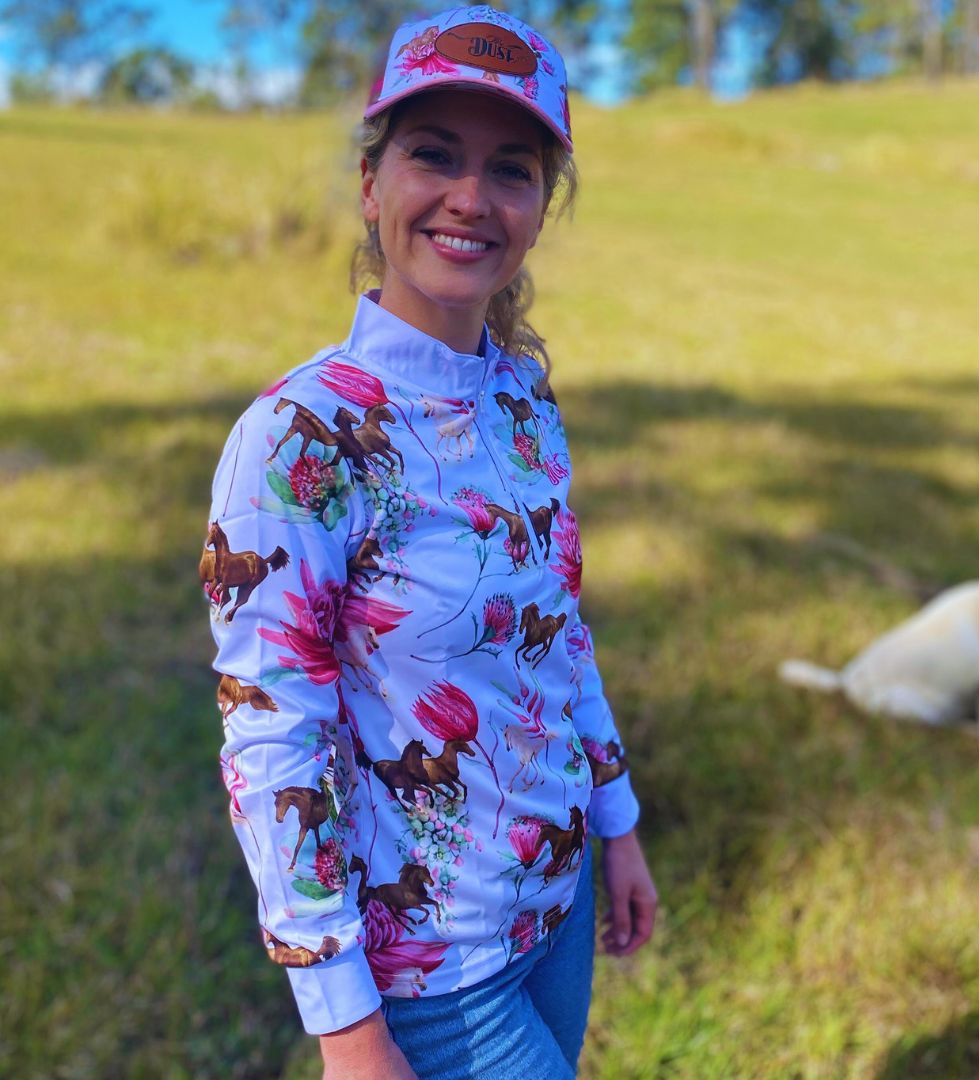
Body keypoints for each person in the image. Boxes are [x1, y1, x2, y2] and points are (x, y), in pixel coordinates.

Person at [201, 7, 657, 1078]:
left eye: (512, 168)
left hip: (556, 902)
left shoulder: (519, 399)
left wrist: (618, 819)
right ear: (372, 184)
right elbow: (274, 736)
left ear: (543, 206)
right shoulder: (300, 439)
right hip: (434, 978)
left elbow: (559, 633)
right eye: (434, 155)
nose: (471, 197)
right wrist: (347, 1027)